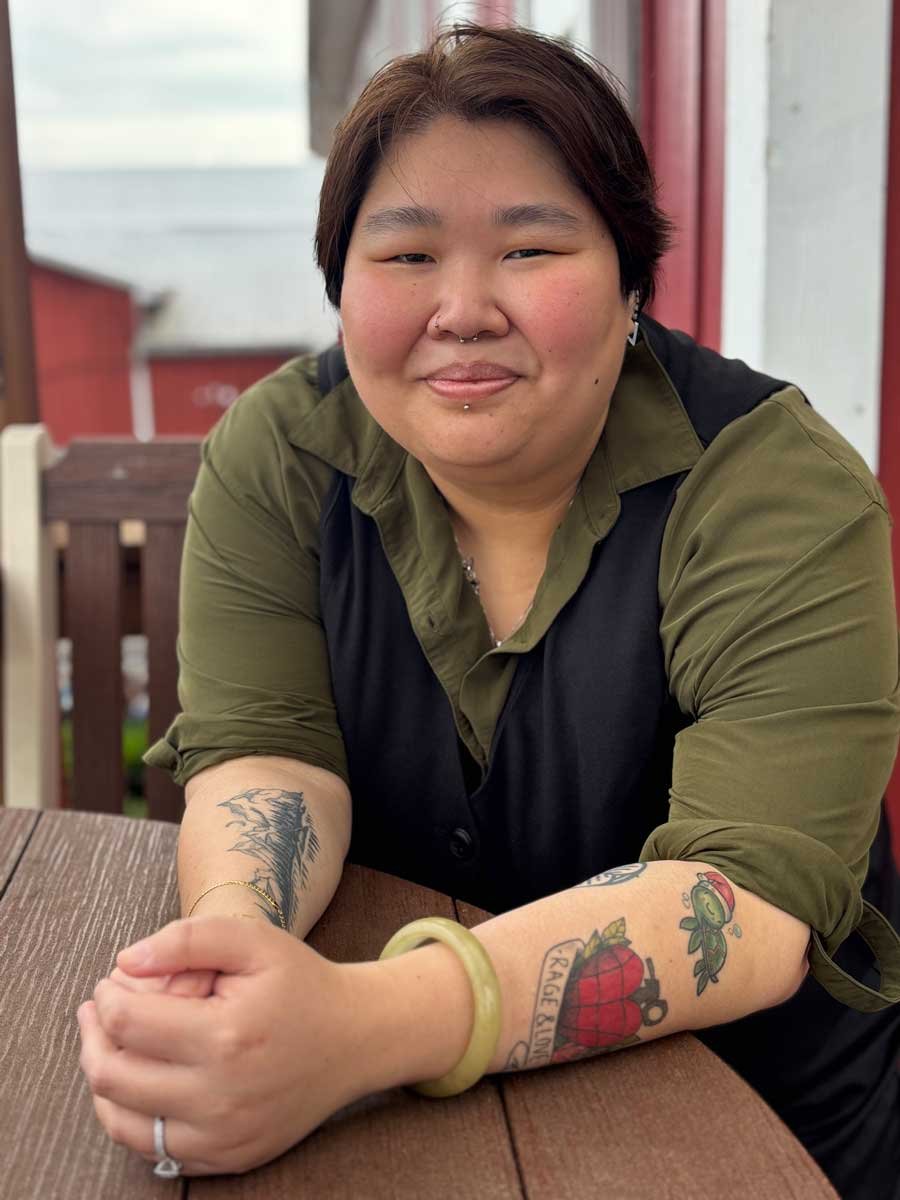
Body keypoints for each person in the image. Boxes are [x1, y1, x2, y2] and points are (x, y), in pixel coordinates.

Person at [76, 22, 900, 1196]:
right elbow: (268, 751)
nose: (462, 309)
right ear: (342, 286)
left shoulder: (774, 487)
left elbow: (745, 898)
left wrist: (358, 1026)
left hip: (752, 1137)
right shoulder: (283, 452)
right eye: (407, 255)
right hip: (401, 1129)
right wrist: (238, 950)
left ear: (630, 282)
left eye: (530, 248)